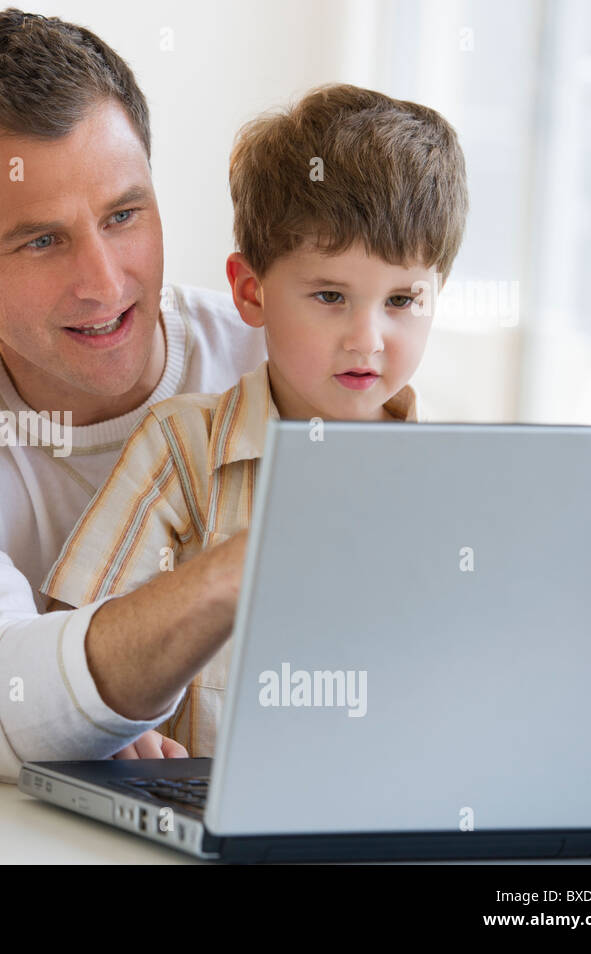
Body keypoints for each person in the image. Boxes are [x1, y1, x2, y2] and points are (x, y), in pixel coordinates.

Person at [0, 9, 266, 779]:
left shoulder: (269, 359)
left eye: (124, 215)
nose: (106, 284)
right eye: (43, 240)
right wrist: (231, 573)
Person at [44, 83, 470, 755]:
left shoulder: (460, 480)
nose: (368, 339)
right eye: (330, 296)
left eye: (402, 300)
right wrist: (121, 731)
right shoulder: (184, 448)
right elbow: (71, 645)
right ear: (251, 291)